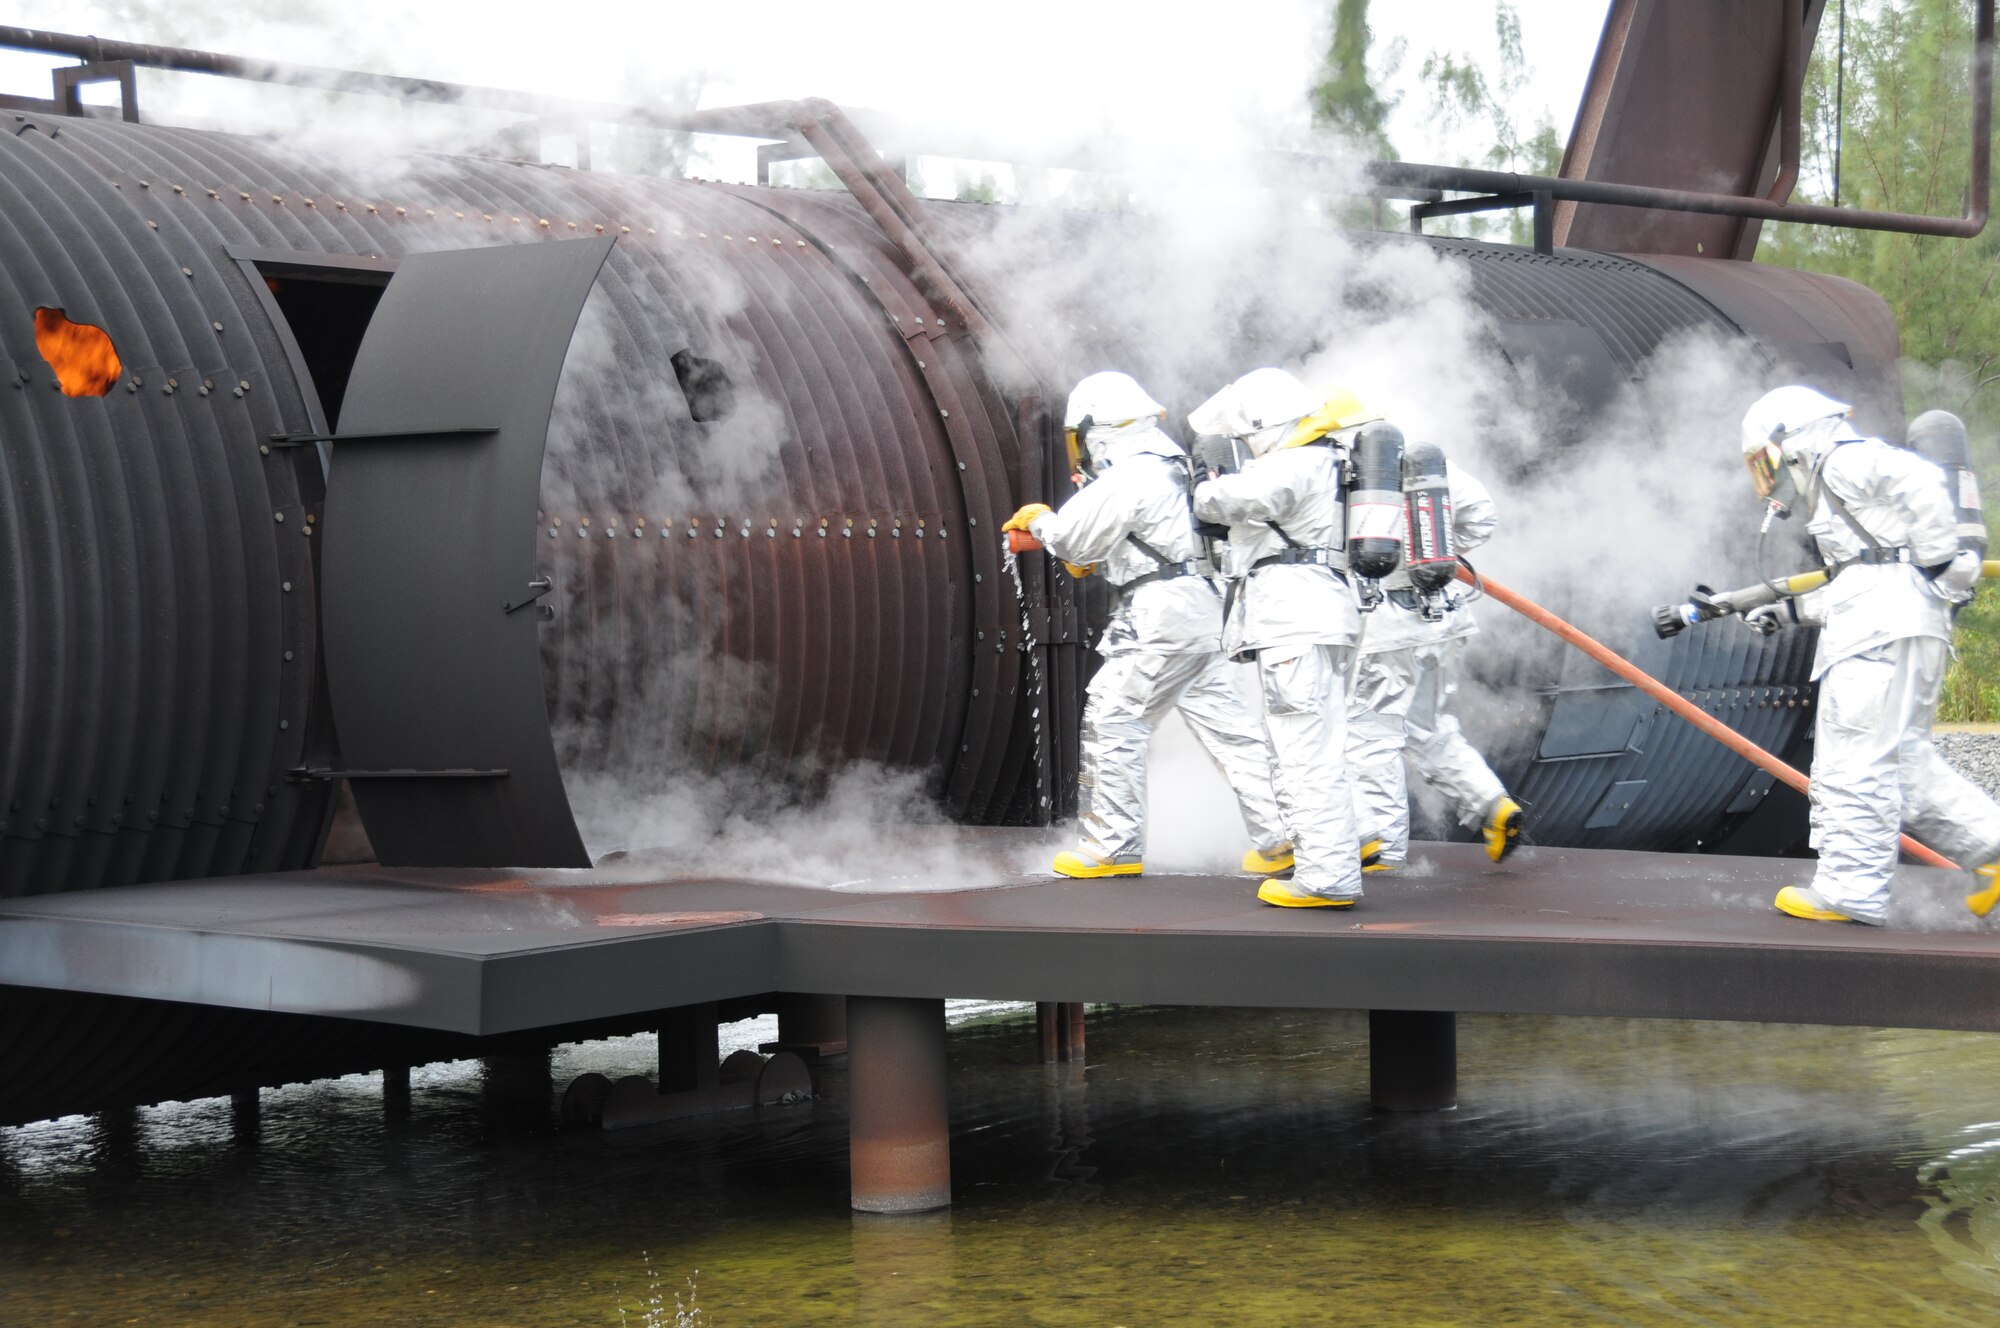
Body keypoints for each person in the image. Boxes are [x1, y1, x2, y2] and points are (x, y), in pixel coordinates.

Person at [1002, 371, 1288, 879]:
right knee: (1232, 731)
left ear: (1099, 432)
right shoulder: (1176, 466)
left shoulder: (1129, 475)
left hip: (1162, 615)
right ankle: (1285, 835)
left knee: (1115, 719)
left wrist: (1041, 520)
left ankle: (1113, 846)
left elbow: (1074, 542)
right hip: (1208, 608)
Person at [1736, 384, 2000, 924]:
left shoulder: (1841, 462)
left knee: (1853, 765)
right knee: (1904, 767)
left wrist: (1939, 559)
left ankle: (1850, 891)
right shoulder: (1843, 493)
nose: (1769, 480)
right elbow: (1865, 576)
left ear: (1791, 442)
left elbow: (1922, 482)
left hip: (1877, 640)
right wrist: (1789, 613)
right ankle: (1993, 852)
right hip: (1896, 626)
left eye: (1766, 461)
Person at [1189, 368, 1377, 908]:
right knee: (1316, 746)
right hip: (1326, 617)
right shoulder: (1331, 461)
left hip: (1296, 621)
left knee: (1303, 751)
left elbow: (1221, 504)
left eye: (1248, 434)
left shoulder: (1294, 463)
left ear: (1263, 423)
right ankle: (1335, 858)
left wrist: (1205, 480)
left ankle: (1326, 877)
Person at [1346, 454, 1523, 871]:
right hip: (1444, 613)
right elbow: (1481, 518)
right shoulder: (1427, 466)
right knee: (1425, 725)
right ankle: (1492, 805)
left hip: (1387, 626)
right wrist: (1432, 559)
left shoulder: (1344, 466)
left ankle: (1383, 853)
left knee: (1371, 734)